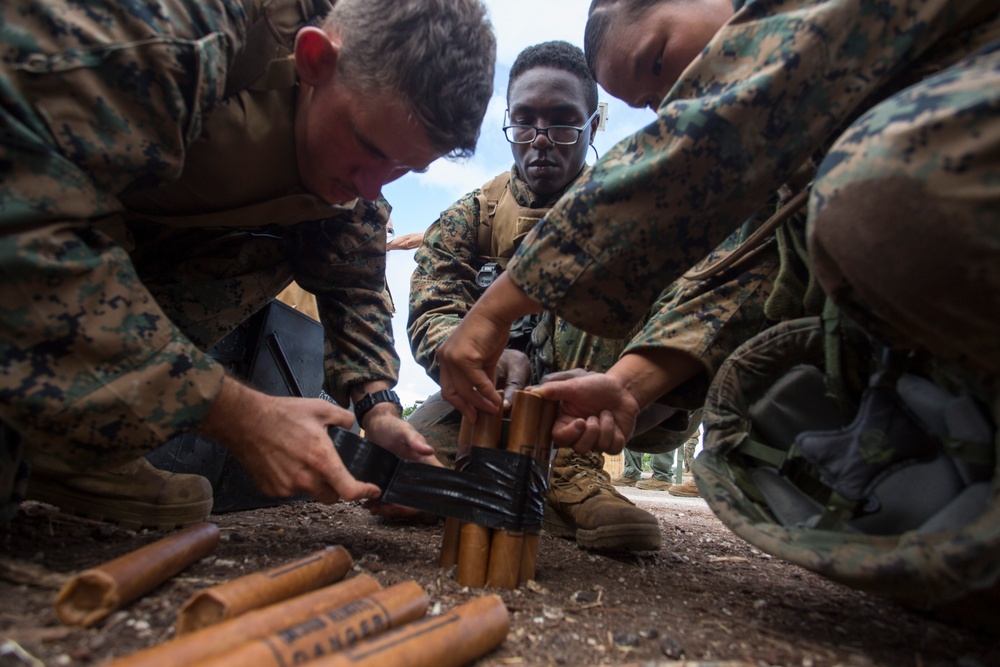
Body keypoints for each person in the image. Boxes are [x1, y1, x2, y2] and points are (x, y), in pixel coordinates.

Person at [433, 0, 1000, 618]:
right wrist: (626, 387)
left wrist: (496, 309)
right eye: (651, 104)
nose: (675, 98)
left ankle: (569, 473)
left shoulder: (788, 65)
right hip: (494, 393)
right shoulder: (477, 211)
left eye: (659, 59)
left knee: (867, 190)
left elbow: (716, 136)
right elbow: (757, 270)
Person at [0, 0, 496, 528]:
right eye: (371, 149)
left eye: (404, 167)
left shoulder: (351, 151)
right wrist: (238, 415)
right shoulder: (172, 33)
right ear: (314, 58)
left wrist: (379, 412)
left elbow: (353, 279)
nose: (373, 185)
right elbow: (22, 226)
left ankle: (78, 438)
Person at [407, 41, 666, 552]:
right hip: (487, 402)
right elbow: (431, 304)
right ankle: (510, 474)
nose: (540, 140)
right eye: (524, 121)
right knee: (401, 479)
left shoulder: (627, 200)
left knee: (597, 266)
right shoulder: (475, 213)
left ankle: (572, 471)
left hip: (606, 399)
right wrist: (482, 358)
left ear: (593, 128)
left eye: (563, 122)